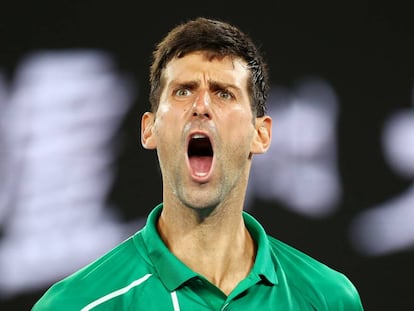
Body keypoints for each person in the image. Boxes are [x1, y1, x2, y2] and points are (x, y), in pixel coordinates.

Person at [32, 17, 364, 310]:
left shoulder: (328, 299)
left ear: (260, 135)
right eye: (182, 91)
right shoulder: (76, 305)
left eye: (223, 93)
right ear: (150, 129)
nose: (201, 105)